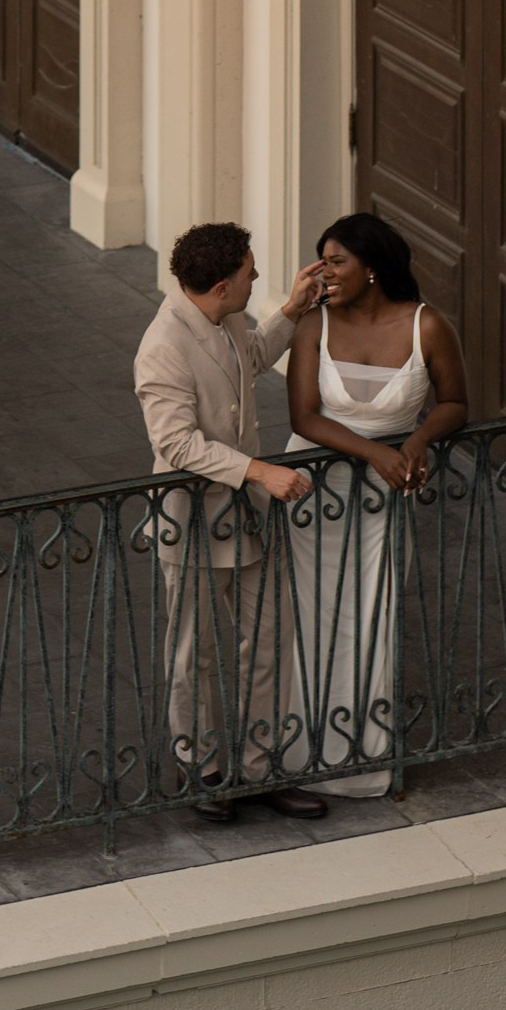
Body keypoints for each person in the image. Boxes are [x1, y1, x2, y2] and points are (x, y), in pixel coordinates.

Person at [133, 223, 328, 822]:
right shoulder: (162, 347)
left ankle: (262, 765)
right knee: (193, 653)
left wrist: (292, 312)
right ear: (221, 285)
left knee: (269, 639)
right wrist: (261, 472)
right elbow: (178, 443)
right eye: (250, 272)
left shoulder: (225, 319)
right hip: (192, 522)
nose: (258, 278)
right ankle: (203, 768)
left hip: (244, 521)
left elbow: (251, 359)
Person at [285, 212, 468, 797]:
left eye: (337, 261)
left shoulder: (427, 325)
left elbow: (456, 402)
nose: (325, 272)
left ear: (372, 267)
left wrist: (412, 444)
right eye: (323, 260)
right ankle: (297, 754)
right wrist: (374, 453)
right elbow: (304, 417)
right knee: (308, 619)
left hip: (383, 499)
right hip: (312, 496)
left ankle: (360, 761)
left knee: (372, 613)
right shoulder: (313, 326)